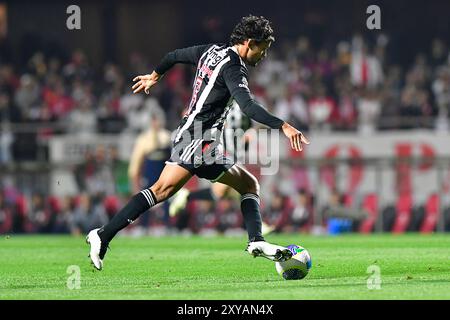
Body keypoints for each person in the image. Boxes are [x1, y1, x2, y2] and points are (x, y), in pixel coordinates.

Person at [86, 15, 310, 270]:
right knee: (162, 191)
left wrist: (155, 75)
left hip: (199, 138)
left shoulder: (210, 52)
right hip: (197, 137)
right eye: (263, 48)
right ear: (249, 42)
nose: (264, 55)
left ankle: (256, 240)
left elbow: (173, 55)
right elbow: (248, 106)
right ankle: (102, 235)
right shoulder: (234, 68)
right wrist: (283, 125)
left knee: (247, 184)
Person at [168, 101, 276, 235]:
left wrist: (252, 130)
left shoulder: (247, 100)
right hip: (223, 151)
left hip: (237, 152)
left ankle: (187, 195)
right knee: (245, 187)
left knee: (225, 192)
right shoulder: (219, 99)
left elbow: (264, 116)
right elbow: (191, 111)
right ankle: (258, 225)